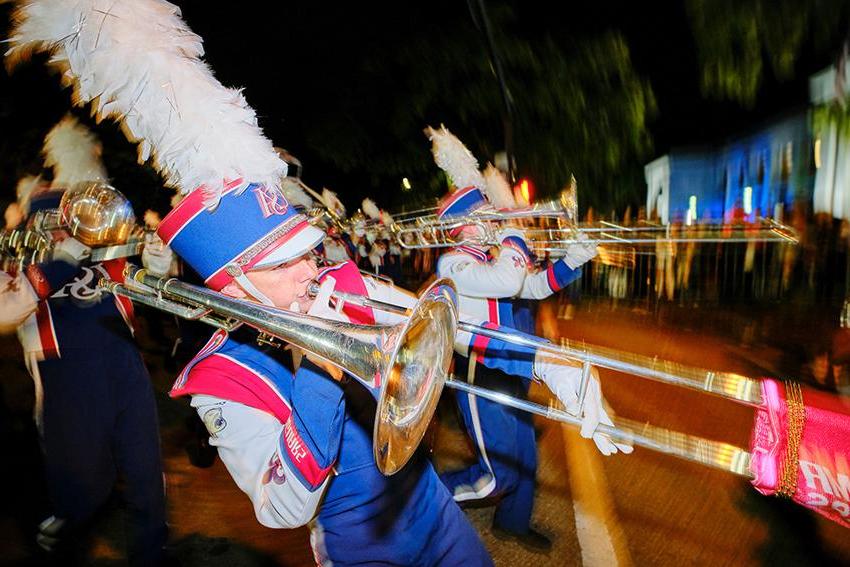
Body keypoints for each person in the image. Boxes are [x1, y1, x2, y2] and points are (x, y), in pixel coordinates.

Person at [158, 184, 494, 566]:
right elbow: (281, 509)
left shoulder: (341, 287)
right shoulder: (221, 378)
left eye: (305, 252)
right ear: (235, 287)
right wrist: (318, 371)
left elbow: (450, 324)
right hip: (360, 546)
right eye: (284, 263)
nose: (310, 271)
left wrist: (543, 364)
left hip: (433, 505)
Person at [424, 125, 630, 551]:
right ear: (464, 226)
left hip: (511, 364)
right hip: (480, 375)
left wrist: (574, 259)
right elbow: (509, 275)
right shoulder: (453, 264)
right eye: (484, 218)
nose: (490, 224)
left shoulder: (491, 256)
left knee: (525, 458)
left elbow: (531, 287)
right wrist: (513, 226)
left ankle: (512, 523)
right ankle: (422, 503)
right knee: (495, 474)